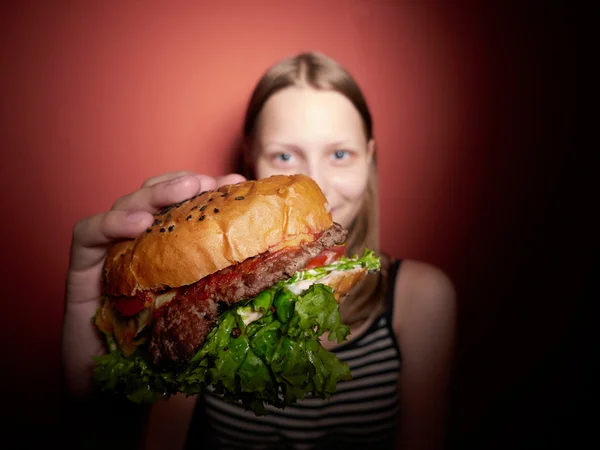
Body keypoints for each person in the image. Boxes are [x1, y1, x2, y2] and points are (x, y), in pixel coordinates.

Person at [62, 51, 456, 450]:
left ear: (369, 158)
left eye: (340, 154)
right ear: (250, 157)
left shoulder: (421, 297)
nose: (315, 181)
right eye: (284, 155)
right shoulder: (200, 317)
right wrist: (96, 374)